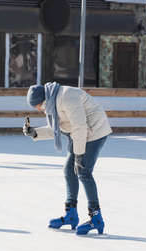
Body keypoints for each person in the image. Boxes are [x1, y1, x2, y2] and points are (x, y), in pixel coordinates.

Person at [23, 82, 112, 235]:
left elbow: (79, 126)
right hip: (79, 134)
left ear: (42, 100)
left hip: (94, 132)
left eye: (37, 105)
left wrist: (79, 156)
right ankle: (71, 214)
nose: (38, 109)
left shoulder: (66, 97)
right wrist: (34, 132)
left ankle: (96, 218)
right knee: (69, 171)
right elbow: (57, 128)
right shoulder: (51, 102)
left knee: (83, 171)